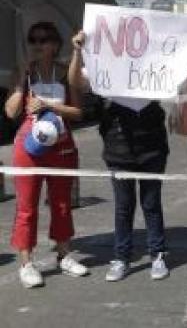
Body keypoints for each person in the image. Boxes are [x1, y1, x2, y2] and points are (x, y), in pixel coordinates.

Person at [68, 31, 170, 282]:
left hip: (152, 147)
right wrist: (77, 51)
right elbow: (76, 83)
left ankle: (157, 254)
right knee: (124, 207)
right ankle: (121, 257)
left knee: (151, 204)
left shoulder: (153, 64)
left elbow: (180, 75)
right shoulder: (105, 66)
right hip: (118, 148)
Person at [4, 21, 87, 288]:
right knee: (26, 207)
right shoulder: (24, 73)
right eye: (33, 40)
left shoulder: (65, 74)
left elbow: (78, 112)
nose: (38, 45)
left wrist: (50, 105)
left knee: (62, 204)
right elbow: (10, 112)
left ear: (55, 44)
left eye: (44, 39)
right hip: (29, 146)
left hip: (61, 144)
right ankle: (26, 263)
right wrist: (21, 85)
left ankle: (63, 254)